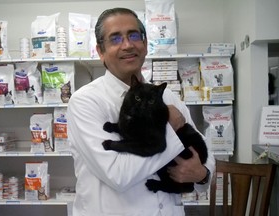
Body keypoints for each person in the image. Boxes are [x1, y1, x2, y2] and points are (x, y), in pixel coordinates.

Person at [67, 7, 215, 216]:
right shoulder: (85, 102)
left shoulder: (168, 97)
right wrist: (169, 127)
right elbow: (117, 174)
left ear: (145, 44)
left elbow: (204, 149)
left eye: (134, 35)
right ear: (100, 51)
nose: (128, 45)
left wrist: (202, 174)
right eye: (115, 39)